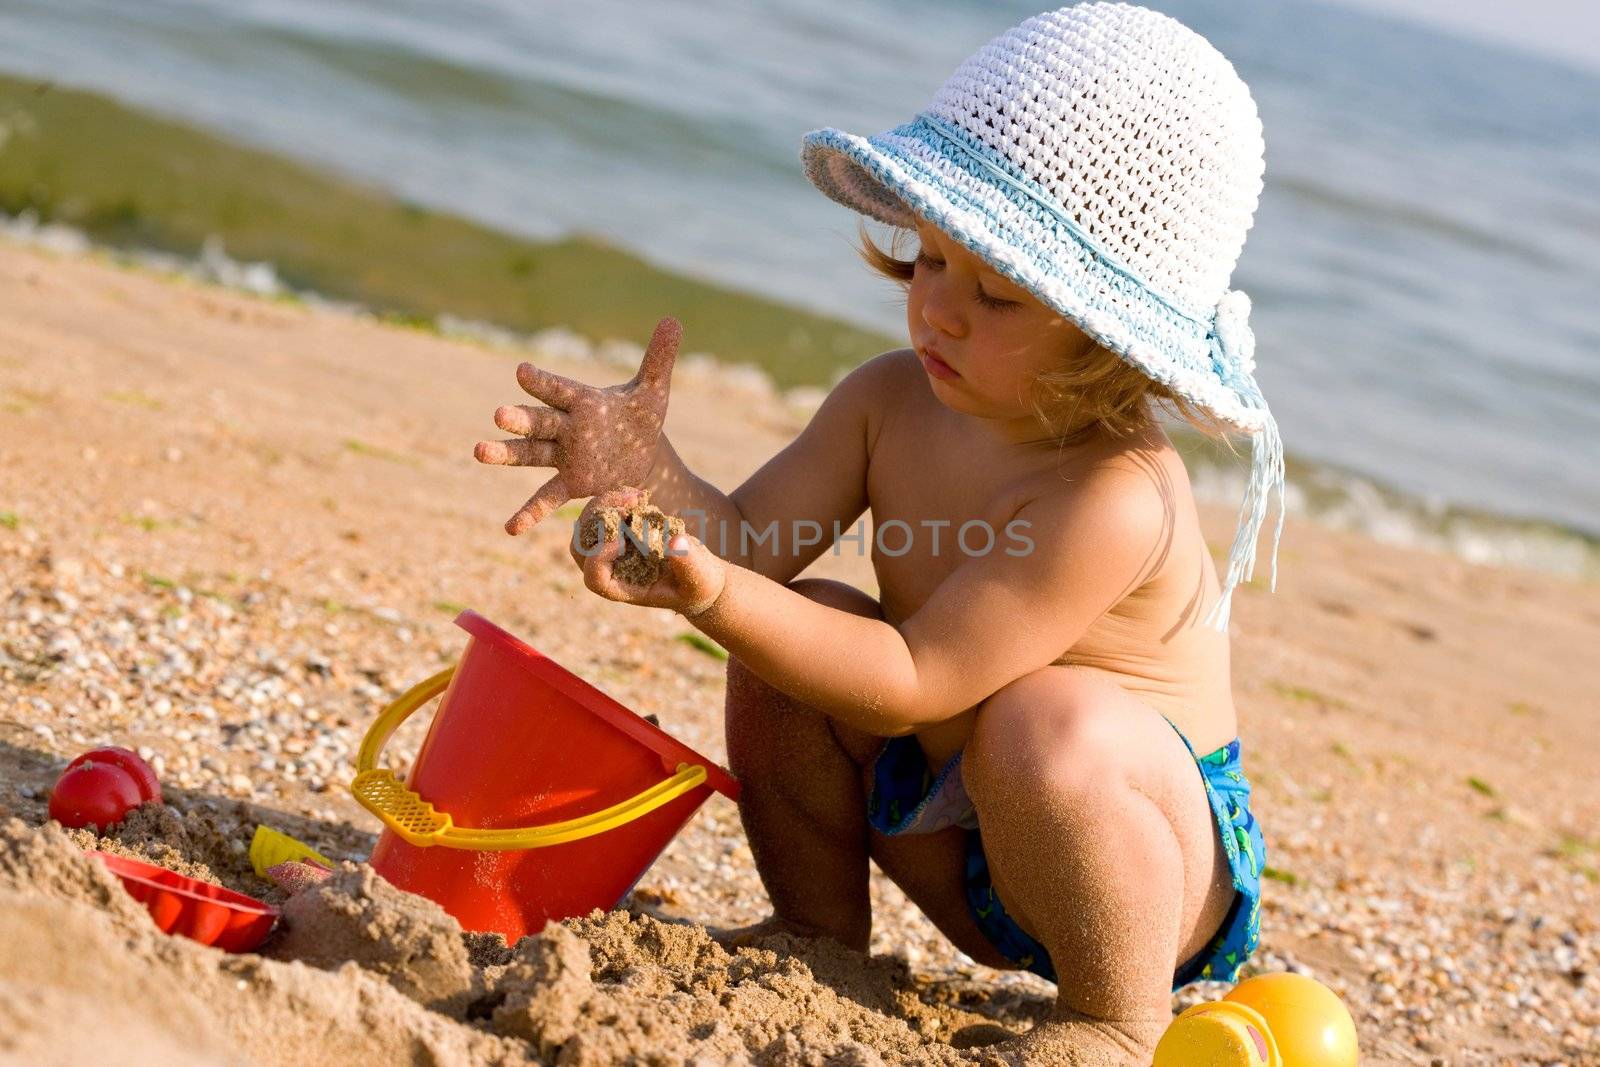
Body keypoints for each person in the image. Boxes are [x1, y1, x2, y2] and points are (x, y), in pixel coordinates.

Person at [474, 4, 1281, 1061]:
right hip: (950, 825)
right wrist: (651, 486)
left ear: (1110, 346)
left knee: (1043, 716)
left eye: (993, 292)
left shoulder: (1113, 493)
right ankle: (819, 931)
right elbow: (750, 540)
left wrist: (711, 592)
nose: (937, 310)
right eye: (928, 260)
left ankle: (1115, 1023)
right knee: (798, 624)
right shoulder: (887, 400)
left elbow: (913, 676)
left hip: (1136, 868)